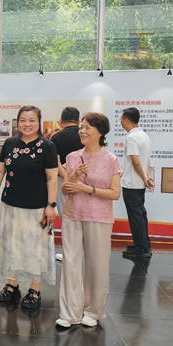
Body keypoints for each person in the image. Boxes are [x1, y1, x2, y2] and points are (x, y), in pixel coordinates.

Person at [55, 113, 122, 328]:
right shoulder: (72, 157)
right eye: (81, 127)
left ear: (100, 132)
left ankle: (93, 310)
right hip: (72, 214)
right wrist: (74, 177)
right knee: (70, 263)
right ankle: (70, 313)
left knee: (97, 265)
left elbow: (115, 193)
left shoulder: (111, 159)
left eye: (87, 128)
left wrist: (87, 188)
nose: (82, 131)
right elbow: (66, 189)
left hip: (99, 217)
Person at [0, 106, 58, 310]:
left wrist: (51, 205)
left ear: (39, 122)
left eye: (32, 120)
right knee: (11, 244)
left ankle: (34, 288)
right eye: (23, 120)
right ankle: (12, 284)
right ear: (17, 122)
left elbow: (52, 178)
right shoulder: (10, 143)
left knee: (35, 247)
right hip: (10, 204)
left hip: (37, 208)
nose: (27, 124)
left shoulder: (47, 146)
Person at [120, 107, 154, 259]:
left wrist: (144, 178)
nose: (121, 122)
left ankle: (141, 248)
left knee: (135, 216)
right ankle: (144, 244)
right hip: (139, 183)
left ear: (127, 120)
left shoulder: (131, 138)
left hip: (132, 183)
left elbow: (136, 162)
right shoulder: (144, 136)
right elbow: (146, 160)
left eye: (121, 119)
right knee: (141, 214)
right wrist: (146, 177)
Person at [51, 107, 83, 262]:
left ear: (60, 121)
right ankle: (82, 253)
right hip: (85, 181)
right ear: (79, 121)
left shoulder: (56, 138)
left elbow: (56, 164)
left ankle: (69, 254)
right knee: (82, 216)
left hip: (63, 181)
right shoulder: (84, 135)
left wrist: (68, 178)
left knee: (67, 216)